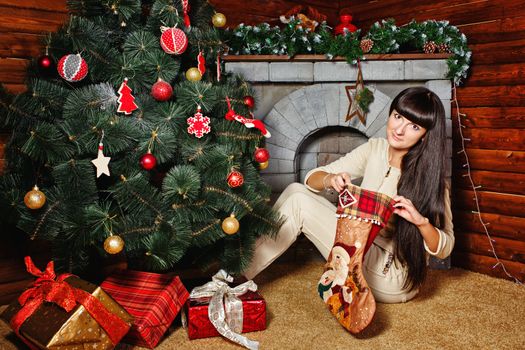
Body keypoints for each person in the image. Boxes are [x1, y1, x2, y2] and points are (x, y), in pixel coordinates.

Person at [244, 87, 454, 303]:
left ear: (425, 135)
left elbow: (445, 248)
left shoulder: (431, 179)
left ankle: (236, 277)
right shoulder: (376, 149)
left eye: (414, 126)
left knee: (298, 202)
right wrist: (329, 179)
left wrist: (421, 222)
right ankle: (241, 266)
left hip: (391, 274)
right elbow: (312, 179)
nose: (399, 129)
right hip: (358, 243)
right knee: (295, 191)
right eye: (397, 116)